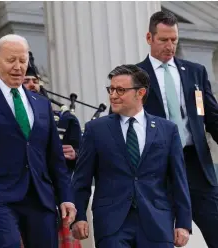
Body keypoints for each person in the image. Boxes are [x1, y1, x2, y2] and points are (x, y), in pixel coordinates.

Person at [0, 34, 76, 248]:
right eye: (11, 60)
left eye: (23, 60)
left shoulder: (42, 104)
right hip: (0, 195)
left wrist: (66, 197)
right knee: (9, 245)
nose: (18, 67)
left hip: (41, 197)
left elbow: (55, 158)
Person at [71, 64, 191, 248]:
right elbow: (81, 179)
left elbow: (178, 179)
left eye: (120, 90)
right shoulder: (96, 129)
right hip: (112, 224)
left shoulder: (167, 130)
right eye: (111, 89)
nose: (113, 95)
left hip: (157, 221)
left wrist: (183, 223)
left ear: (140, 93)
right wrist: (78, 217)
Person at [137, 10, 218, 247]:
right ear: (149, 38)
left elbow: (212, 116)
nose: (170, 46)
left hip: (196, 165)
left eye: (174, 39)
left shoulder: (195, 72)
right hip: (156, 167)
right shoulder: (135, 76)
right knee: (159, 238)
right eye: (163, 40)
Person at [22, 52, 82, 248]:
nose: (32, 84)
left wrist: (75, 154)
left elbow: (86, 156)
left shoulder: (65, 119)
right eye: (27, 80)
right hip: (24, 192)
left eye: (35, 80)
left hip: (57, 191)